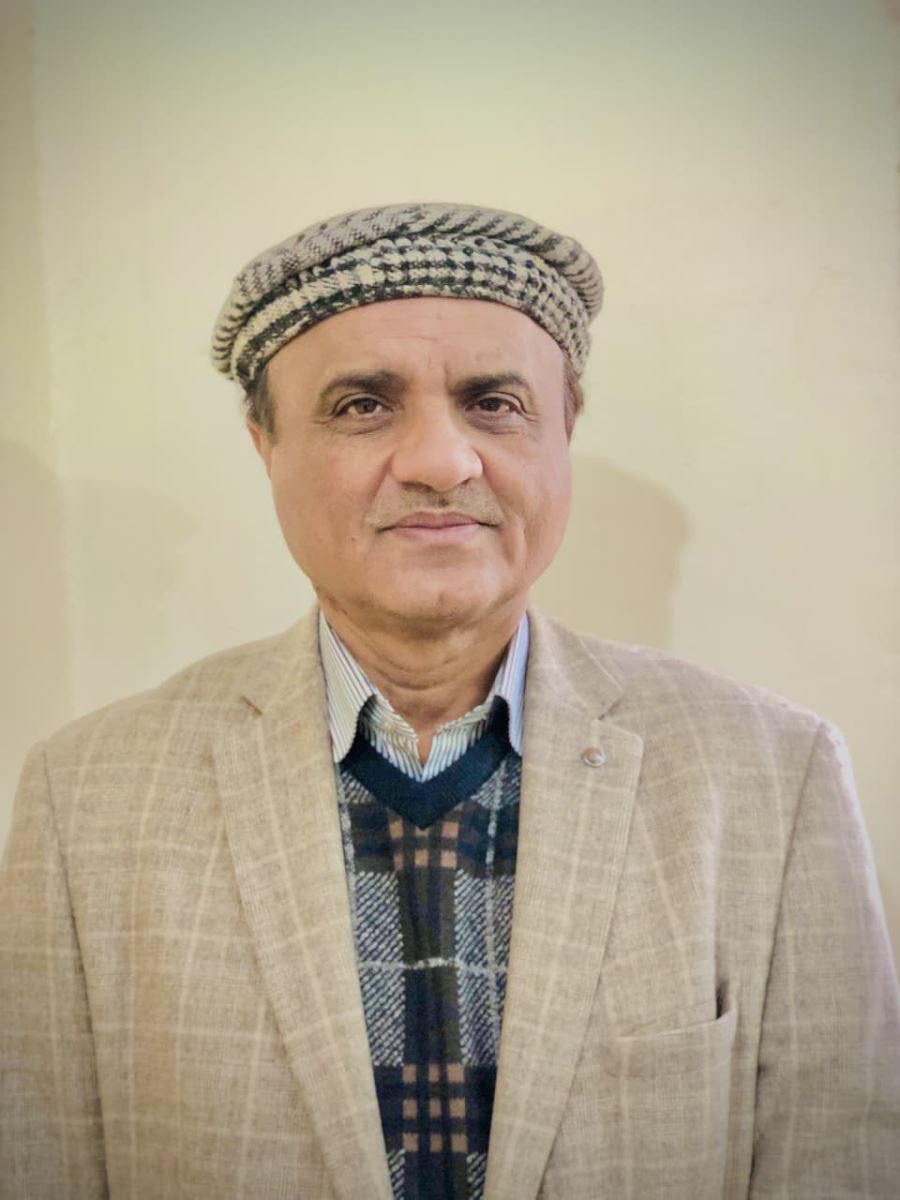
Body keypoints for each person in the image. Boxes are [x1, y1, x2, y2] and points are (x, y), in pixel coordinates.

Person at [1, 202, 897, 1200]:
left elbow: (843, 1159)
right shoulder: (88, 801)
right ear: (265, 448)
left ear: (563, 434)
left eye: (495, 403)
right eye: (361, 405)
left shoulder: (774, 778)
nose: (440, 461)